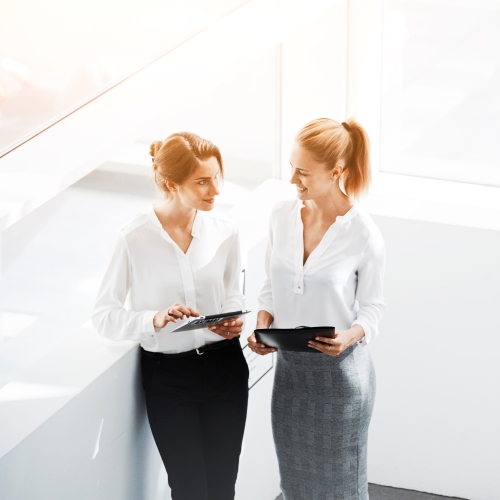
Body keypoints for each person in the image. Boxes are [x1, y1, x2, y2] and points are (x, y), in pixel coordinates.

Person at [92, 132, 249, 500]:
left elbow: (233, 293)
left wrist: (232, 323)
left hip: (225, 367)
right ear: (170, 183)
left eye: (216, 178)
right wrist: (153, 319)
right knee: (190, 488)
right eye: (202, 181)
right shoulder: (133, 238)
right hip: (168, 377)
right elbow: (104, 315)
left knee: (223, 485)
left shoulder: (226, 232)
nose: (215, 190)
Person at [248, 118, 385, 500]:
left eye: (303, 172)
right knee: (295, 484)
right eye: (292, 166)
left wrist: (349, 337)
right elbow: (269, 286)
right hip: (290, 374)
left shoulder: (363, 234)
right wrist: (263, 322)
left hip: (341, 378)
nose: (293, 179)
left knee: (340, 488)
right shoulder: (281, 216)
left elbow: (373, 308)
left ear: (336, 172)